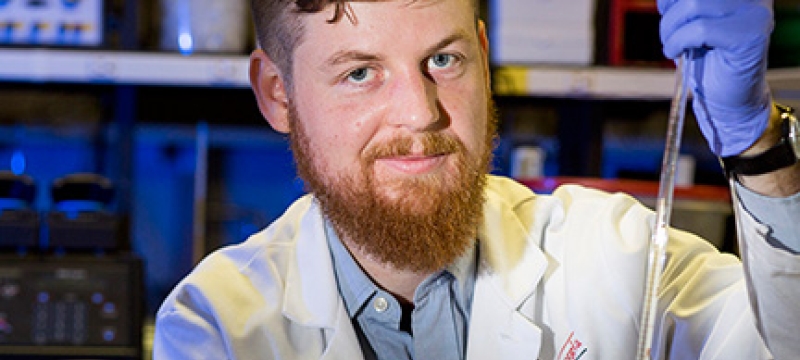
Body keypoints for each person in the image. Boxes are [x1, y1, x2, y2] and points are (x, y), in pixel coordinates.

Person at [153, 0, 800, 358]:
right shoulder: (220, 326)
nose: (420, 113)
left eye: (443, 59)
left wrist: (754, 142)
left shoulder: (615, 259)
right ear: (278, 94)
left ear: (484, 59)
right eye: (360, 73)